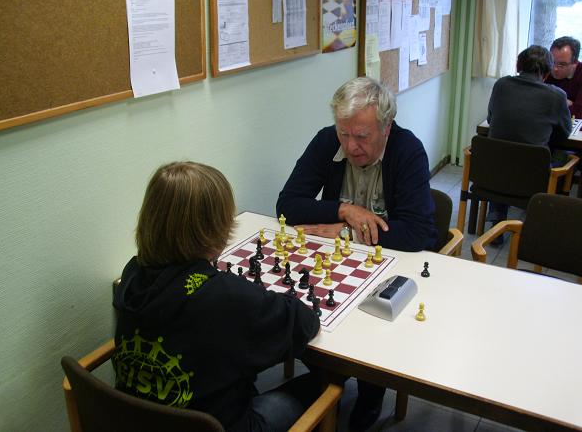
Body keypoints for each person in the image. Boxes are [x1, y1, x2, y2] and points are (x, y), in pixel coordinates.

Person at [112, 161, 321, 432]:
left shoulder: (131, 275)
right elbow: (305, 322)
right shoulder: (227, 296)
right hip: (218, 426)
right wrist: (255, 296)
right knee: (321, 387)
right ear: (214, 229)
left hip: (137, 419)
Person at [277, 77, 437, 430]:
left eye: (362, 136)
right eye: (344, 133)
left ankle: (369, 392)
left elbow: (417, 232)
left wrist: (345, 231)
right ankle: (328, 378)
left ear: (386, 127)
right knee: (304, 311)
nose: (350, 146)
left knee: (375, 326)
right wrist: (344, 211)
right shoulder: (326, 141)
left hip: (392, 263)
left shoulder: (408, 151)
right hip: (337, 264)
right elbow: (287, 204)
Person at [486, 45, 571, 228]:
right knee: (563, 154)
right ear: (547, 73)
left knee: (505, 151)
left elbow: (490, 119)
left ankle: (497, 215)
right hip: (532, 176)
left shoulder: (501, 85)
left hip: (493, 173)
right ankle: (542, 213)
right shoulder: (557, 96)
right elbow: (565, 133)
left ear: (518, 66)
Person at [545, 36, 582, 118]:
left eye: (562, 65)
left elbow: (579, 113)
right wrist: (567, 103)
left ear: (575, 62)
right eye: (552, 62)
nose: (554, 68)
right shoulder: (545, 68)